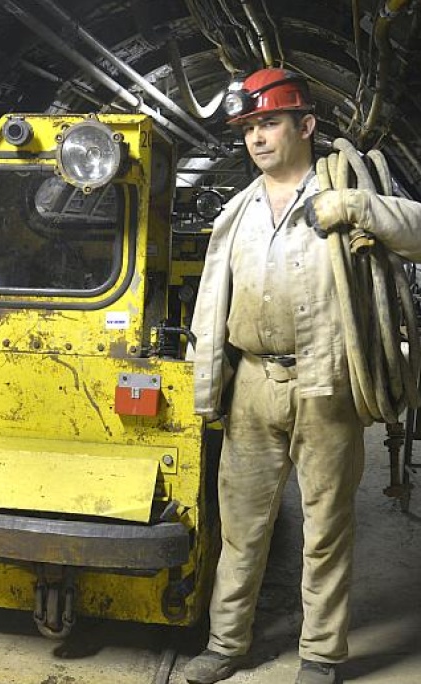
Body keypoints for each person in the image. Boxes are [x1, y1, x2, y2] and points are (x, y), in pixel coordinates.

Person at [184, 68, 421, 684]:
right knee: (241, 526)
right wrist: (207, 386)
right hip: (252, 382)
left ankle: (320, 655)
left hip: (327, 379)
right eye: (249, 129)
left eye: (269, 123)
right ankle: (226, 644)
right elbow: (211, 304)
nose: (257, 138)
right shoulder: (238, 211)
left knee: (326, 528)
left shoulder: (344, 194)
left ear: (306, 125)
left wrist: (358, 208)